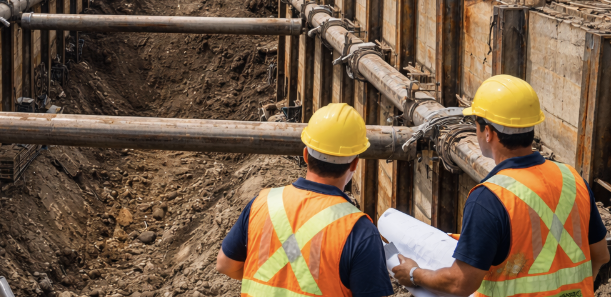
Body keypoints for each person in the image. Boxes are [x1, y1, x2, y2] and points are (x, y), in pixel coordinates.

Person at [392, 75, 611, 297]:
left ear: (488, 132)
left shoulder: (489, 198)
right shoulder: (572, 179)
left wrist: (413, 274)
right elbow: (601, 255)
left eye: (476, 124)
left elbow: (461, 284)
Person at [216, 103, 394, 297]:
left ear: (305, 155)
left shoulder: (263, 202)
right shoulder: (359, 230)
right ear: (354, 164)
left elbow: (226, 265)